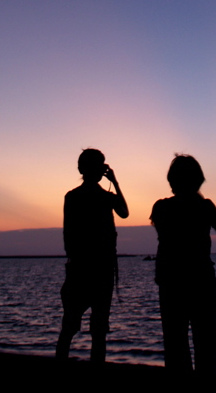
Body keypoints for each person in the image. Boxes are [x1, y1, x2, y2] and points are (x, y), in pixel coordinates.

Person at [150, 154, 216, 373]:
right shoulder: (205, 206)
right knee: (205, 334)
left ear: (172, 180)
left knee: (174, 337)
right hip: (200, 276)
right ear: (198, 180)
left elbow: (161, 229)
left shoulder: (161, 207)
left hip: (170, 278)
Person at [55, 148, 129, 363]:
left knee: (73, 326)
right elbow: (124, 211)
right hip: (97, 269)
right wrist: (115, 182)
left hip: (84, 268)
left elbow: (67, 235)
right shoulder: (102, 197)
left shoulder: (75, 196)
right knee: (95, 329)